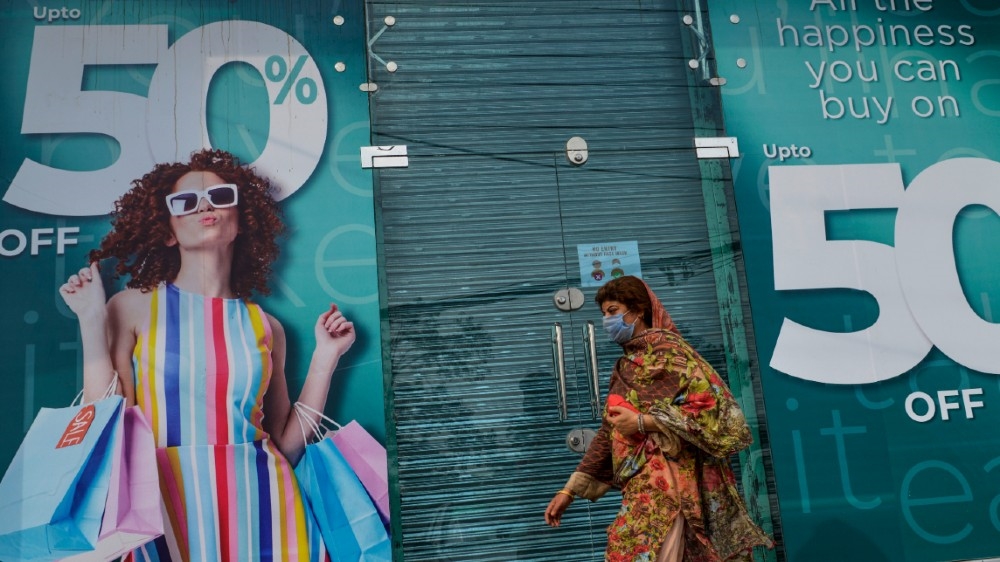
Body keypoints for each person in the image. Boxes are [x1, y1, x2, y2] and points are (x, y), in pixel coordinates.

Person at [59, 148, 355, 561]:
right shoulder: (131, 307)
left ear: (240, 222)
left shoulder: (266, 327)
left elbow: (285, 445)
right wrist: (91, 319)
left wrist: (326, 357)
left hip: (267, 508)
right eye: (185, 203)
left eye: (220, 197)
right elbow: (103, 420)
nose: (205, 208)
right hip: (161, 505)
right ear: (168, 231)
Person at [544, 276, 773, 561]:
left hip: (672, 483)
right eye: (603, 314)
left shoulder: (673, 354)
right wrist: (570, 489)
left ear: (638, 310)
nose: (607, 321)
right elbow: (609, 430)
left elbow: (711, 411)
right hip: (640, 482)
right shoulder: (625, 366)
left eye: (613, 311)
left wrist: (643, 423)